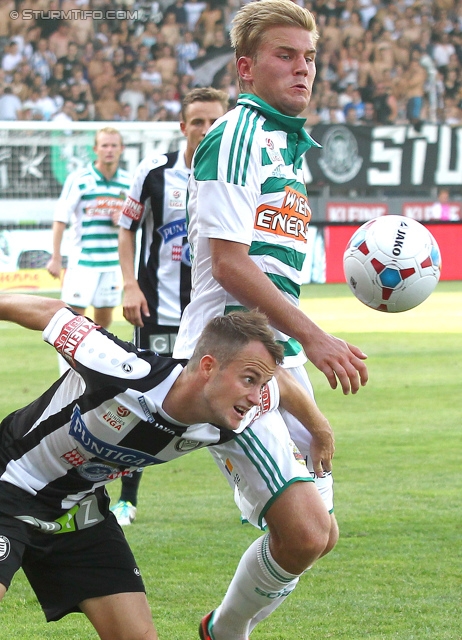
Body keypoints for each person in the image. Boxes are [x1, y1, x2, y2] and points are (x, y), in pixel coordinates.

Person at [172, 1, 369, 637]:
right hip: (232, 358)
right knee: (306, 530)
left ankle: (218, 630)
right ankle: (224, 635)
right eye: (286, 56)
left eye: (310, 57)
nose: (303, 69)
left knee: (319, 535)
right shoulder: (235, 136)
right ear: (247, 68)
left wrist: (309, 404)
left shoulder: (286, 147)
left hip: (269, 355)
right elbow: (230, 267)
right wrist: (313, 338)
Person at [0, 293, 333, 640]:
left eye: (259, 385)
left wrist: (320, 430)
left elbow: (282, 387)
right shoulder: (124, 369)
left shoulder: (231, 411)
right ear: (207, 367)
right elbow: (52, 313)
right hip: (9, 483)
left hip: (78, 510)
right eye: (248, 380)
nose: (255, 397)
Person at [114, 87, 229, 526]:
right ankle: (127, 499)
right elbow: (127, 229)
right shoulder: (154, 172)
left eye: (213, 122)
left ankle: (251, 495)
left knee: (225, 399)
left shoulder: (231, 174)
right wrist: (129, 284)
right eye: (197, 122)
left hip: (212, 310)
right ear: (183, 127)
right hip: (156, 306)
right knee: (145, 400)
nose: (204, 130)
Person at [46, 127, 130, 375]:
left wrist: (123, 218)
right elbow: (60, 217)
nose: (109, 150)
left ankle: (91, 369)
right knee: (73, 320)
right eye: (104, 145)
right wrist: (56, 255)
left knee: (102, 322)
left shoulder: (128, 181)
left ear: (121, 149)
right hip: (83, 262)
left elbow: (136, 220)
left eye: (114, 145)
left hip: (112, 264)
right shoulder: (80, 179)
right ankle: (68, 375)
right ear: (95, 150)